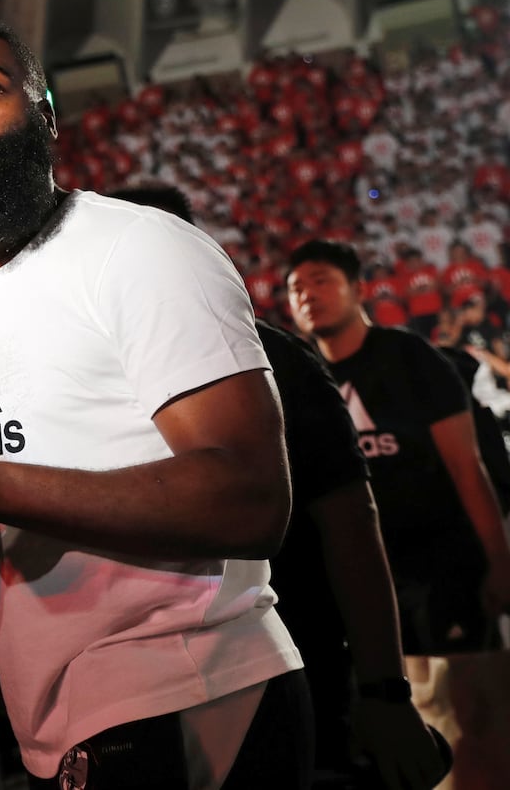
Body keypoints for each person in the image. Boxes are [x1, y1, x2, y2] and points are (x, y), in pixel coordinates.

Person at [0, 12, 308, 789]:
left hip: (190, 692)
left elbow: (251, 497)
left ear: (44, 115)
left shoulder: (140, 247)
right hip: (64, 720)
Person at [119, 187, 448, 789]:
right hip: (143, 692)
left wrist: (385, 692)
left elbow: (350, 521)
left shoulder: (274, 357)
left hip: (290, 670)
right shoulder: (92, 371)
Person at [286, 240, 510, 653]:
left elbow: (466, 465)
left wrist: (499, 561)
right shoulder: (301, 378)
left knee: (469, 701)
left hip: (444, 568)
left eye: (321, 281)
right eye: (297, 288)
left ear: (359, 290)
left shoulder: (412, 358)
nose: (308, 295)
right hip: (364, 581)